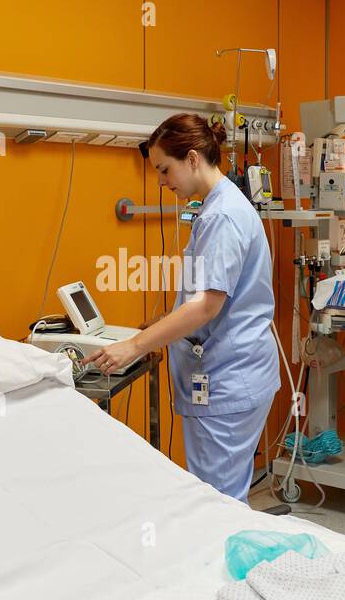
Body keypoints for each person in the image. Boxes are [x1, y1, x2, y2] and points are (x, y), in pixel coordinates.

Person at [83, 113, 280, 500]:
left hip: (227, 379)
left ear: (192, 159)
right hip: (237, 371)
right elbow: (211, 295)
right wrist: (159, 325)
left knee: (218, 502)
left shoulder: (222, 215)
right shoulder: (217, 206)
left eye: (164, 169)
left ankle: (226, 559)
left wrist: (135, 347)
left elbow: (206, 306)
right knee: (225, 496)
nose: (161, 181)